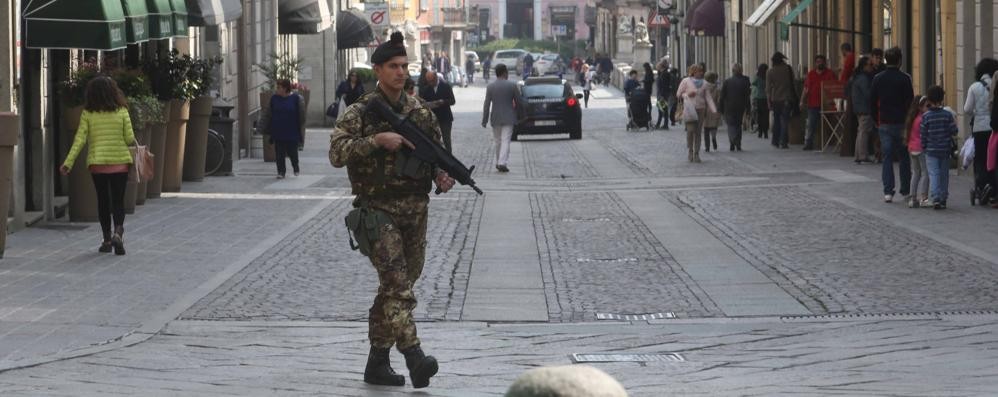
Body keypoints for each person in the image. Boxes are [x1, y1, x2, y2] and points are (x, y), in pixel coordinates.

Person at [329, 31, 453, 388]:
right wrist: (375, 142)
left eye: (404, 66)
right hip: (377, 211)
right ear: (378, 70)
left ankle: (377, 363)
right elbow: (337, 154)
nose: (400, 72)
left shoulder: (421, 113)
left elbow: (436, 157)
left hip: (415, 211)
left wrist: (442, 176)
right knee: (398, 285)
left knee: (395, 287)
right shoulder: (360, 112)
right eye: (393, 66)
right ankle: (415, 356)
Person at [60, 76, 135, 255]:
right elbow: (129, 138)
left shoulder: (88, 114)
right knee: (118, 200)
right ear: (114, 92)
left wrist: (68, 163)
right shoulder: (122, 111)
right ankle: (118, 231)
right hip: (120, 163)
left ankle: (107, 240)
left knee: (103, 201)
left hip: (98, 164)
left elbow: (79, 140)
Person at [871, 47, 915, 203]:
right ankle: (905, 190)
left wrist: (876, 121)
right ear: (899, 61)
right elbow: (910, 102)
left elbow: (872, 101)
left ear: (885, 60)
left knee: (887, 157)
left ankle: (888, 191)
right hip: (902, 123)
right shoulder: (905, 79)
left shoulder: (878, 78)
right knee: (904, 157)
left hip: (884, 122)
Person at [964, 58, 998, 205]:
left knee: (980, 159)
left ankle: (981, 185)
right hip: (993, 127)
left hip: (979, 128)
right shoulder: (995, 84)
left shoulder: (974, 87)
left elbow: (967, 109)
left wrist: (977, 112)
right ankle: (993, 186)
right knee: (993, 158)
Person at [920, 85, 959, 209]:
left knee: (933, 173)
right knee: (944, 173)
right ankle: (943, 197)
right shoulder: (947, 115)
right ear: (942, 99)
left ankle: (935, 197)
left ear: (929, 100)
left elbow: (923, 135)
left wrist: (924, 146)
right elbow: (954, 131)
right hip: (945, 149)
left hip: (931, 150)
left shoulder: (926, 117)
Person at [260, 79, 306, 179]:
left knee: (292, 152)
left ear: (285, 88)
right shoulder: (274, 99)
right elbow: (268, 114)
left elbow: (301, 116)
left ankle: (295, 166)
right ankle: (281, 171)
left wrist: (300, 128)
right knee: (279, 153)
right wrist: (263, 126)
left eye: (279, 87)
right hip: (278, 130)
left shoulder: (295, 98)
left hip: (292, 130)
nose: (277, 89)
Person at [482, 63, 519, 173]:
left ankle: (499, 162)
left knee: (498, 141)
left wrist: (484, 120)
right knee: (505, 140)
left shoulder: (490, 87)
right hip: (509, 117)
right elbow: (519, 102)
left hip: (495, 117)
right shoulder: (512, 85)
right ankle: (502, 162)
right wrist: (524, 113)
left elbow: (487, 104)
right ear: (504, 73)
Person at [676, 63, 716, 163]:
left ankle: (696, 153)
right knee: (690, 131)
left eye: (702, 71)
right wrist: (687, 95)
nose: (701, 73)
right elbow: (678, 94)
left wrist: (713, 109)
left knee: (698, 132)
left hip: (700, 109)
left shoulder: (704, 83)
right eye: (699, 71)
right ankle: (690, 150)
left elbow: (708, 97)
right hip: (689, 109)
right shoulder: (686, 81)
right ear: (693, 72)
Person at [800, 54, 836, 150]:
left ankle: (830, 141)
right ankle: (809, 143)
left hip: (827, 104)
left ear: (825, 63)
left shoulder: (830, 73)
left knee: (829, 123)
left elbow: (833, 87)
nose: (819, 63)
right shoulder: (811, 74)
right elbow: (806, 88)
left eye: (821, 62)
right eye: (818, 62)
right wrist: (802, 101)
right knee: (811, 124)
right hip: (813, 103)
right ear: (815, 63)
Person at [418, 71, 456, 152]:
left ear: (436, 77)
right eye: (428, 81)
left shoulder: (445, 86)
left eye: (432, 81)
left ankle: (449, 158)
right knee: (434, 140)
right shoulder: (426, 89)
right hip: (432, 119)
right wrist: (427, 104)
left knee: (446, 140)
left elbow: (452, 101)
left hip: (445, 118)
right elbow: (422, 103)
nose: (430, 83)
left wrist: (443, 102)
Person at [904, 95, 930, 208]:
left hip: (911, 148)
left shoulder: (912, 119)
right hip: (921, 148)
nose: (929, 108)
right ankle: (924, 197)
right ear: (920, 107)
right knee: (925, 173)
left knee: (915, 173)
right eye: (927, 106)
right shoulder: (922, 119)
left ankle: (912, 197)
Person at [720, 63, 752, 151]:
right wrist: (748, 108)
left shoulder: (727, 81)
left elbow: (722, 96)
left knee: (731, 124)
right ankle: (738, 143)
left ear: (732, 71)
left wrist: (721, 109)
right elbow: (747, 96)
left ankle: (732, 141)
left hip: (729, 107)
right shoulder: (745, 81)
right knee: (738, 125)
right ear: (741, 71)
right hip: (740, 106)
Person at [851, 55, 876, 164]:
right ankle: (862, 155)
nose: (872, 67)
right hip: (864, 108)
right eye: (870, 65)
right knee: (863, 132)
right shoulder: (864, 78)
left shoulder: (858, 77)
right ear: (864, 66)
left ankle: (858, 155)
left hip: (859, 107)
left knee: (861, 131)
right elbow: (868, 94)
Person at [766, 52, 794, 149]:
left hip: (776, 99)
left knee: (777, 120)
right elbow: (792, 82)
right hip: (786, 98)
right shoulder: (787, 69)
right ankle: (784, 141)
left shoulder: (770, 72)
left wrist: (768, 102)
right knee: (785, 121)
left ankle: (775, 140)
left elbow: (768, 89)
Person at [702, 72, 722, 152]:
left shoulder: (703, 88)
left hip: (705, 110)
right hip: (714, 110)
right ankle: (713, 138)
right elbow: (719, 101)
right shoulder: (717, 89)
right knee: (713, 127)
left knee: (706, 129)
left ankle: (707, 146)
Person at [751, 63, 769, 139]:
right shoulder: (767, 77)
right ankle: (765, 133)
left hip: (759, 98)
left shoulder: (758, 78)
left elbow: (753, 83)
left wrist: (756, 74)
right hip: (766, 98)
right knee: (766, 116)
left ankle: (760, 133)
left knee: (760, 116)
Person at [655, 61, 674, 129]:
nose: (656, 67)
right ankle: (660, 124)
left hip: (662, 95)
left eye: (658, 65)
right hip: (662, 94)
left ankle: (664, 125)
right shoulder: (662, 73)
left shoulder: (664, 74)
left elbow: (664, 86)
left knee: (663, 109)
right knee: (661, 109)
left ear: (661, 66)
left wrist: (662, 96)